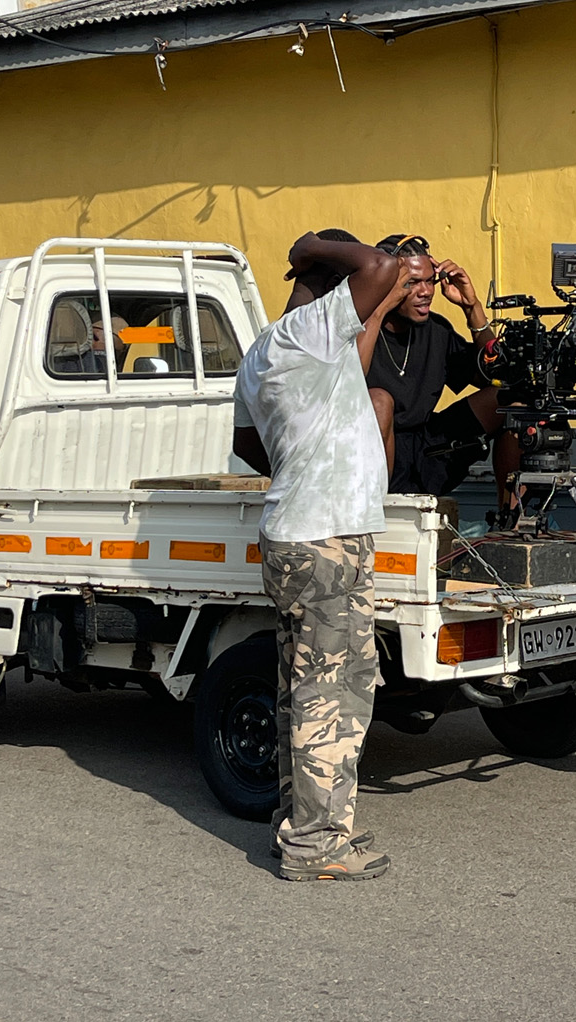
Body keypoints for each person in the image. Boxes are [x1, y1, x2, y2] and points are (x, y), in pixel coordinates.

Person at [232, 227, 397, 882]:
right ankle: (317, 845)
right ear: (336, 287)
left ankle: (298, 821)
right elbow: (379, 266)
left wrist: (298, 456)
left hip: (293, 530)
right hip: (327, 537)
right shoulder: (315, 329)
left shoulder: (262, 350)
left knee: (301, 689)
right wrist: (313, 243)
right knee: (335, 693)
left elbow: (247, 445)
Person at [360, 234, 520, 502]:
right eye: (412, 283)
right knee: (379, 402)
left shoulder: (436, 330)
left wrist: (472, 308)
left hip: (427, 450)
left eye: (429, 281)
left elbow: (498, 376)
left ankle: (511, 518)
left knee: (512, 400)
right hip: (367, 456)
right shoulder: (359, 331)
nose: (426, 292)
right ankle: (373, 511)